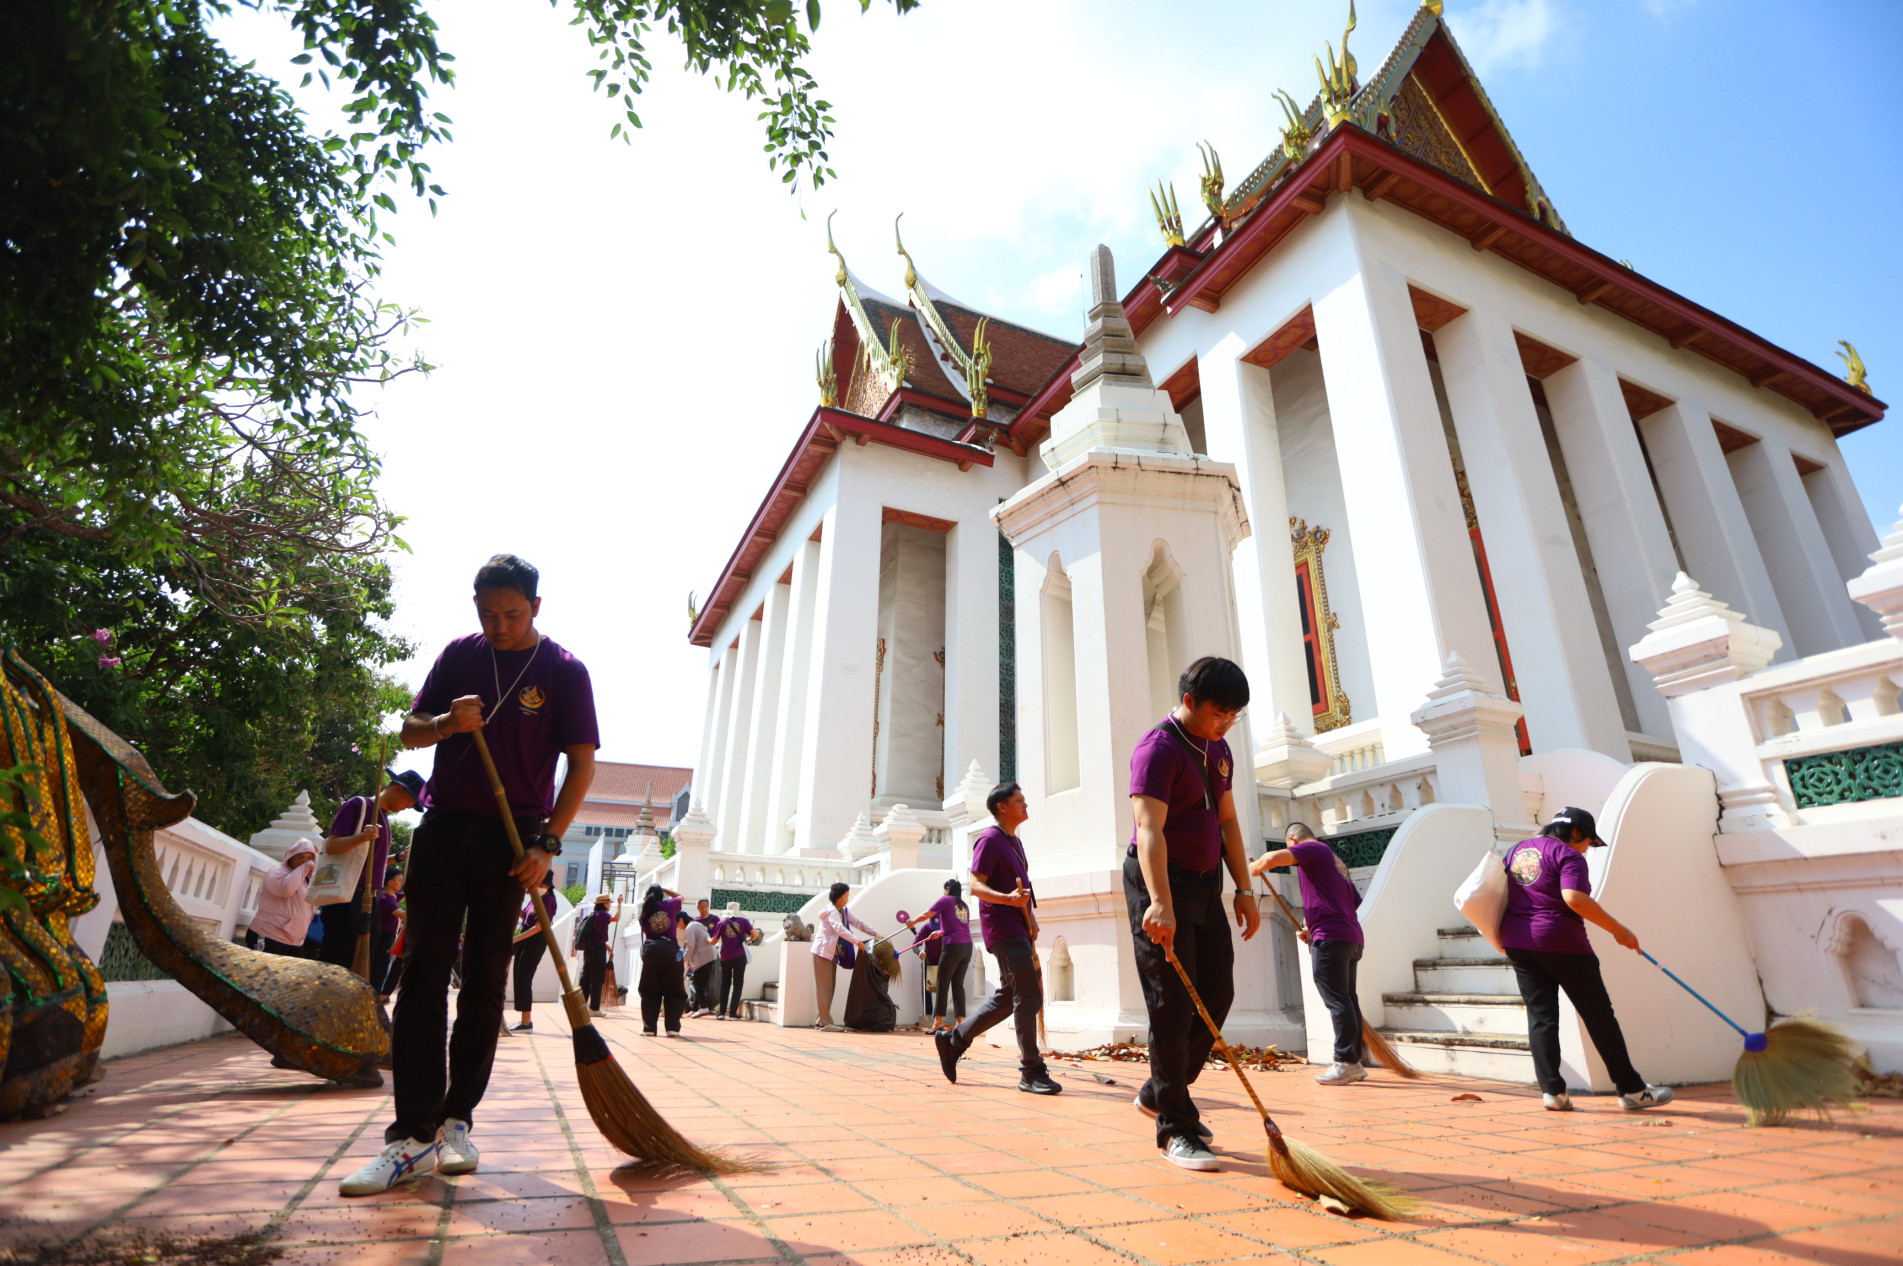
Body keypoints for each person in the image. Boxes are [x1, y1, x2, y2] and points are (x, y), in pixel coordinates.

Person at [339, 553, 598, 1197]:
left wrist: (549, 844)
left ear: (536, 608)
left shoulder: (565, 672)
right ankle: (412, 1133)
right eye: (488, 614)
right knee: (424, 967)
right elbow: (409, 730)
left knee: (484, 978)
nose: (499, 626)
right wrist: (449, 723)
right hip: (445, 827)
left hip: (513, 841)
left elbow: (581, 766)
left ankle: (457, 1121)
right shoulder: (459, 653)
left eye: (511, 615)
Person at [1125, 657, 1261, 1171]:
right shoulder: (1157, 750)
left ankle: (1162, 1089)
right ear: (1189, 702)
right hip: (1161, 884)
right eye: (1219, 713)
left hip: (1207, 886)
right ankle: (1176, 1128)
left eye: (1234, 715)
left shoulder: (1218, 749)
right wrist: (1159, 902)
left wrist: (1244, 889)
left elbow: (1227, 820)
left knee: (1217, 995)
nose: (1226, 723)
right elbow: (1149, 832)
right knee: (1171, 1005)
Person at [1500, 807, 1674, 1113]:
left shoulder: (1516, 851)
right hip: (1562, 943)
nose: (1587, 850)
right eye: (1589, 843)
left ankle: (1553, 1092)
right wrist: (1618, 929)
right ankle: (1631, 1090)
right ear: (1576, 833)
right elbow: (1574, 898)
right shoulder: (1568, 856)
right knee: (1598, 1016)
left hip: (1518, 942)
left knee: (1542, 1017)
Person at [932, 784, 1060, 1095]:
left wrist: (1030, 917)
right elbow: (975, 886)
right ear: (1002, 807)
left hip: (1019, 926)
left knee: (1009, 997)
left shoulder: (1014, 842)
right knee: (1028, 995)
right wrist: (1007, 900)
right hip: (1003, 928)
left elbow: (1022, 890)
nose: (1025, 803)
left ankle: (954, 1040)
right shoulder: (989, 840)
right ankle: (1031, 1070)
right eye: (1019, 800)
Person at [1250, 823, 1366, 1085]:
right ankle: (1353, 1061)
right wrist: (1310, 928)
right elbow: (1347, 902)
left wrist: (1252, 868)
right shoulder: (1336, 862)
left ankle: (1346, 1061)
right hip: (1349, 936)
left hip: (1332, 937)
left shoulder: (1312, 848)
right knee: (1347, 999)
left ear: (1293, 840)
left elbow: (1270, 859)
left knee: (1338, 1001)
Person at [317, 770, 424, 973]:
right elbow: (331, 846)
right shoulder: (359, 805)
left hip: (369, 899)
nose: (407, 807)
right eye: (409, 801)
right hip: (348, 896)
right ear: (398, 788)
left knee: (362, 963)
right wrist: (362, 837)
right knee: (337, 958)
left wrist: (398, 857)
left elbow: (373, 862)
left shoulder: (383, 817)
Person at [906, 879, 970, 1036]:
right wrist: (940, 932)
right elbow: (958, 926)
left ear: (947, 889)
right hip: (967, 946)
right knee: (958, 984)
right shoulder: (964, 905)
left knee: (942, 981)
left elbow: (927, 914)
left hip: (953, 946)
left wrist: (912, 921)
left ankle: (938, 1022)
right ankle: (960, 1022)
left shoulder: (945, 900)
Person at [811, 882, 875, 1033]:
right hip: (822, 953)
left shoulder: (844, 911)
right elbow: (839, 929)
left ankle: (821, 1021)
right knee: (825, 988)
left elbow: (858, 923)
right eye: (845, 896)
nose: (847, 899)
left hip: (831, 954)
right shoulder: (831, 912)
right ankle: (826, 1023)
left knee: (829, 988)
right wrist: (857, 941)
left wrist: (875, 933)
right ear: (838, 897)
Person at [252, 839, 319, 957]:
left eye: (309, 858)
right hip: (269, 937)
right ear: (290, 857)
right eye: (301, 857)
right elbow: (285, 889)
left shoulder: (305, 879)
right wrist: (305, 867)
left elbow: (314, 902)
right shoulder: (278, 871)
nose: (306, 862)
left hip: (295, 943)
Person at [509, 873, 558, 1031]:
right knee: (519, 976)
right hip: (525, 940)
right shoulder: (536, 898)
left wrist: (515, 939)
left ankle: (526, 1021)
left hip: (535, 941)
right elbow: (526, 916)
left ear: (547, 886)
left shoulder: (549, 900)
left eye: (539, 884)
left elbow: (539, 927)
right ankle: (524, 1020)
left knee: (524, 977)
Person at [636, 884, 687, 1036]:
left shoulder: (644, 914)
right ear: (661, 896)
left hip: (651, 952)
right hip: (670, 951)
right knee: (674, 990)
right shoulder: (669, 904)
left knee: (650, 991)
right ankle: (672, 1028)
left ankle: (649, 1028)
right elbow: (681, 897)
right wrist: (665, 890)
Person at [713, 902, 755, 1019]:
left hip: (725, 957)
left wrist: (706, 939)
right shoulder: (744, 922)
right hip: (739, 955)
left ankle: (721, 1013)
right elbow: (755, 934)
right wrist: (747, 941)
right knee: (738, 983)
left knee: (725, 983)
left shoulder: (721, 923)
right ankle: (732, 1013)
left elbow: (714, 941)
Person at [372, 865, 406, 1004]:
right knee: (381, 966)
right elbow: (403, 915)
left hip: (390, 936)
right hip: (384, 936)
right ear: (390, 882)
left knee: (385, 966)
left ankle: (380, 993)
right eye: (399, 880)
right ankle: (376, 993)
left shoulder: (393, 896)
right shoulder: (385, 899)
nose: (401, 883)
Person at [578, 893, 614, 1016]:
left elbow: (597, 934)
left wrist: (605, 945)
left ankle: (582, 1006)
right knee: (597, 979)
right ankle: (594, 1008)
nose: (610, 905)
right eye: (609, 903)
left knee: (586, 978)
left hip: (589, 950)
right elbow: (616, 918)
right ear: (603, 904)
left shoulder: (593, 915)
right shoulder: (603, 914)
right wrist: (620, 904)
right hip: (598, 951)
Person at [683, 912, 720, 1019]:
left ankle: (703, 1007)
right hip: (710, 955)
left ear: (681, 920)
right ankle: (695, 1009)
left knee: (697, 984)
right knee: (700, 983)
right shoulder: (697, 925)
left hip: (704, 957)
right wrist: (689, 960)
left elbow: (690, 946)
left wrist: (684, 958)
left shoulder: (690, 927)